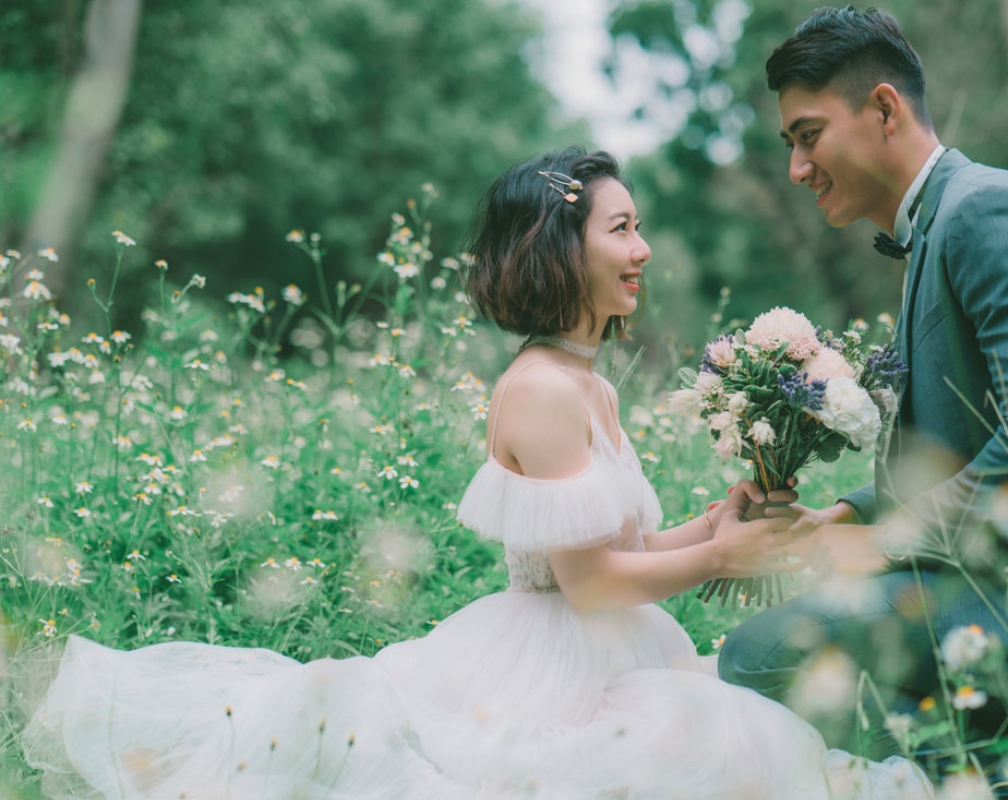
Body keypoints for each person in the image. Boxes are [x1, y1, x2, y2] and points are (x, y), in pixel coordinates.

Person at [21, 147, 934, 799]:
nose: (642, 250)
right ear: (560, 247)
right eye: (621, 229)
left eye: (639, 227)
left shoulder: (587, 382)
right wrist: (725, 560)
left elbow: (622, 544)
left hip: (614, 643)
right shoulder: (538, 392)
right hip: (551, 662)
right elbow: (588, 583)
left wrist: (711, 522)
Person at [717, 4, 1008, 768]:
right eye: (791, 145)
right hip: (1003, 566)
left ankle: (974, 766)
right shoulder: (936, 229)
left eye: (808, 137)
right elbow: (962, 445)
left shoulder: (990, 213)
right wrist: (837, 516)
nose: (797, 168)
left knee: (759, 655)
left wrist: (882, 544)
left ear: (883, 109)